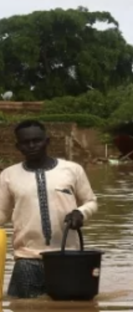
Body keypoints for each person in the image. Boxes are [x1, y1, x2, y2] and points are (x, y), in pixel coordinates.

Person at [0, 121, 98, 299]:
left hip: (68, 257)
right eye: (25, 142)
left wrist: (80, 213)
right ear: (18, 146)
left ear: (47, 141)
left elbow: (91, 202)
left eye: (37, 140)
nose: (31, 145)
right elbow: (2, 213)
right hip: (27, 258)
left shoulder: (72, 170)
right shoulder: (8, 175)